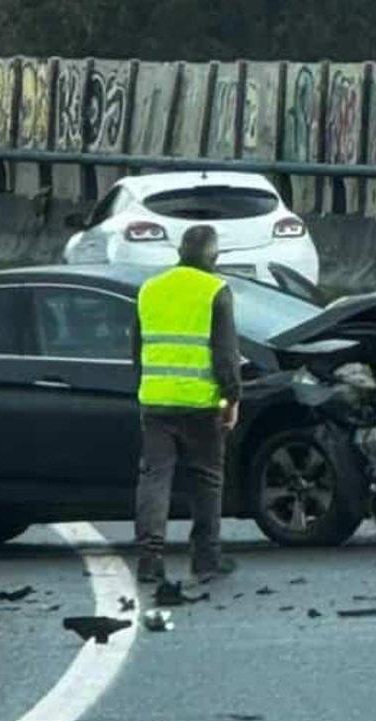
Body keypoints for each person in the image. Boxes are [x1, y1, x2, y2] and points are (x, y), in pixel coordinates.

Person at [133, 224, 242, 585]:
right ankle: (206, 559)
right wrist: (231, 399)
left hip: (156, 402)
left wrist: (146, 389)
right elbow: (226, 356)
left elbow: (137, 350)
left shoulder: (149, 289)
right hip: (200, 403)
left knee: (154, 479)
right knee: (207, 479)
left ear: (179, 253)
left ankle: (149, 559)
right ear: (214, 257)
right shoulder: (216, 291)